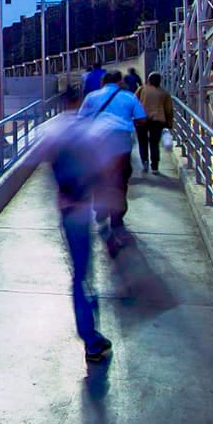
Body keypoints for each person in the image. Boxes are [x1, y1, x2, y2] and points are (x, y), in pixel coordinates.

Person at [48, 113, 114, 362]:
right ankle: (90, 339)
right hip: (79, 213)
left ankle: (91, 334)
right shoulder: (88, 134)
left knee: (82, 273)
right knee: (82, 276)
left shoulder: (57, 134)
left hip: (69, 213)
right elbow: (99, 172)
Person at [77, 70, 146, 248]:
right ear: (120, 82)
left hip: (96, 142)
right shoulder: (129, 97)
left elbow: (81, 120)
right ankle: (117, 219)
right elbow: (141, 119)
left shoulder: (92, 96)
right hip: (120, 142)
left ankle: (100, 210)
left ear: (103, 82)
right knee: (120, 181)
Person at [136, 72, 175, 173]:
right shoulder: (164, 93)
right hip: (158, 121)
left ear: (148, 79)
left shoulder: (142, 89)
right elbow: (169, 110)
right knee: (154, 144)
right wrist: (169, 123)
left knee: (142, 142)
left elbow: (134, 102)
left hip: (142, 119)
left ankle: (144, 161)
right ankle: (155, 167)